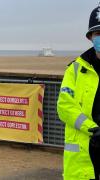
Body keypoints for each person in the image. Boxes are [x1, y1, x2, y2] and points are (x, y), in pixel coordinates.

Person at [57, 3, 100, 180]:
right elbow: (65, 107)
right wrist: (93, 129)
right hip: (82, 161)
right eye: (98, 34)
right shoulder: (75, 69)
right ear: (90, 37)